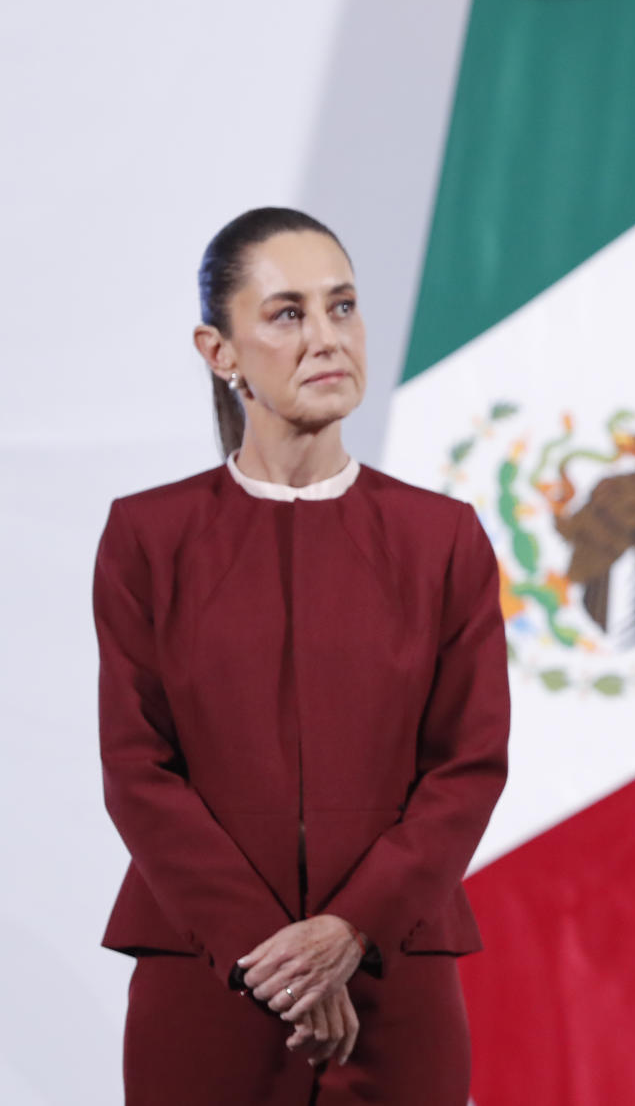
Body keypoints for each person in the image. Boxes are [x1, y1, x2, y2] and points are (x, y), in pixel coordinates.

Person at [95, 207, 510, 1104]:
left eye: (343, 307)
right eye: (288, 314)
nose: (327, 338)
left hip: (394, 982)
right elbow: (139, 771)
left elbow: (467, 768)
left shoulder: (443, 539)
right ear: (220, 351)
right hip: (205, 982)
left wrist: (350, 931)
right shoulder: (147, 537)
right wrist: (275, 957)